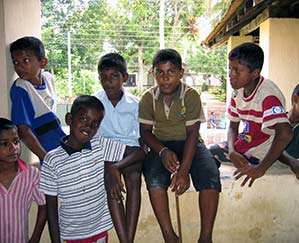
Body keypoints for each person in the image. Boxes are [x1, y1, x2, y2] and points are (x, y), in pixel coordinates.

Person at [139, 49, 221, 243]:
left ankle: (205, 238)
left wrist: (183, 170)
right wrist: (163, 151)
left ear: (181, 73)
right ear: (153, 74)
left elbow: (193, 134)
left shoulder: (190, 96)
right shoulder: (148, 98)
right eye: (160, 72)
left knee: (210, 174)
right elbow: (145, 132)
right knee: (153, 176)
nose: (165, 78)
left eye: (171, 72)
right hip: (160, 144)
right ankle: (170, 237)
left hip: (190, 143)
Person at [39, 95, 145, 243]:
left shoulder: (100, 145)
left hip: (100, 230)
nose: (89, 127)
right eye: (83, 119)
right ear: (69, 119)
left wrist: (115, 166)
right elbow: (51, 209)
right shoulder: (52, 160)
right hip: (72, 235)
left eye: (95, 124)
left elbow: (138, 152)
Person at [208, 42, 294, 187]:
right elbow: (232, 126)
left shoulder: (267, 94)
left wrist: (260, 169)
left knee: (209, 154)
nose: (231, 75)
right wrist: (233, 150)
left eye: (237, 70)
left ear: (255, 73)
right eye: (229, 69)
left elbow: (285, 133)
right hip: (245, 146)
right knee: (207, 154)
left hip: (260, 155)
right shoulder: (238, 91)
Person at [93, 53, 143, 243]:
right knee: (111, 185)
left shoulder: (135, 105)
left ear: (125, 78)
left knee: (134, 179)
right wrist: (110, 165)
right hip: (105, 153)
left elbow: (140, 142)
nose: (108, 83)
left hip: (131, 154)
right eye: (103, 78)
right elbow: (93, 138)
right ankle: (125, 240)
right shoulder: (94, 102)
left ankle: (127, 240)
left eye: (113, 76)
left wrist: (119, 164)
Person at [9, 36, 65, 163]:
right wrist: (47, 158)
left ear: (43, 62)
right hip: (49, 152)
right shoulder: (21, 88)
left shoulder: (48, 78)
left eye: (26, 60)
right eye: (16, 62)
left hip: (63, 144)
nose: (20, 67)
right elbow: (23, 131)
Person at [0, 117, 46, 243]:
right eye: (4, 143)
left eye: (16, 141)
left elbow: (44, 205)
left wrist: (36, 237)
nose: (13, 148)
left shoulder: (30, 174)